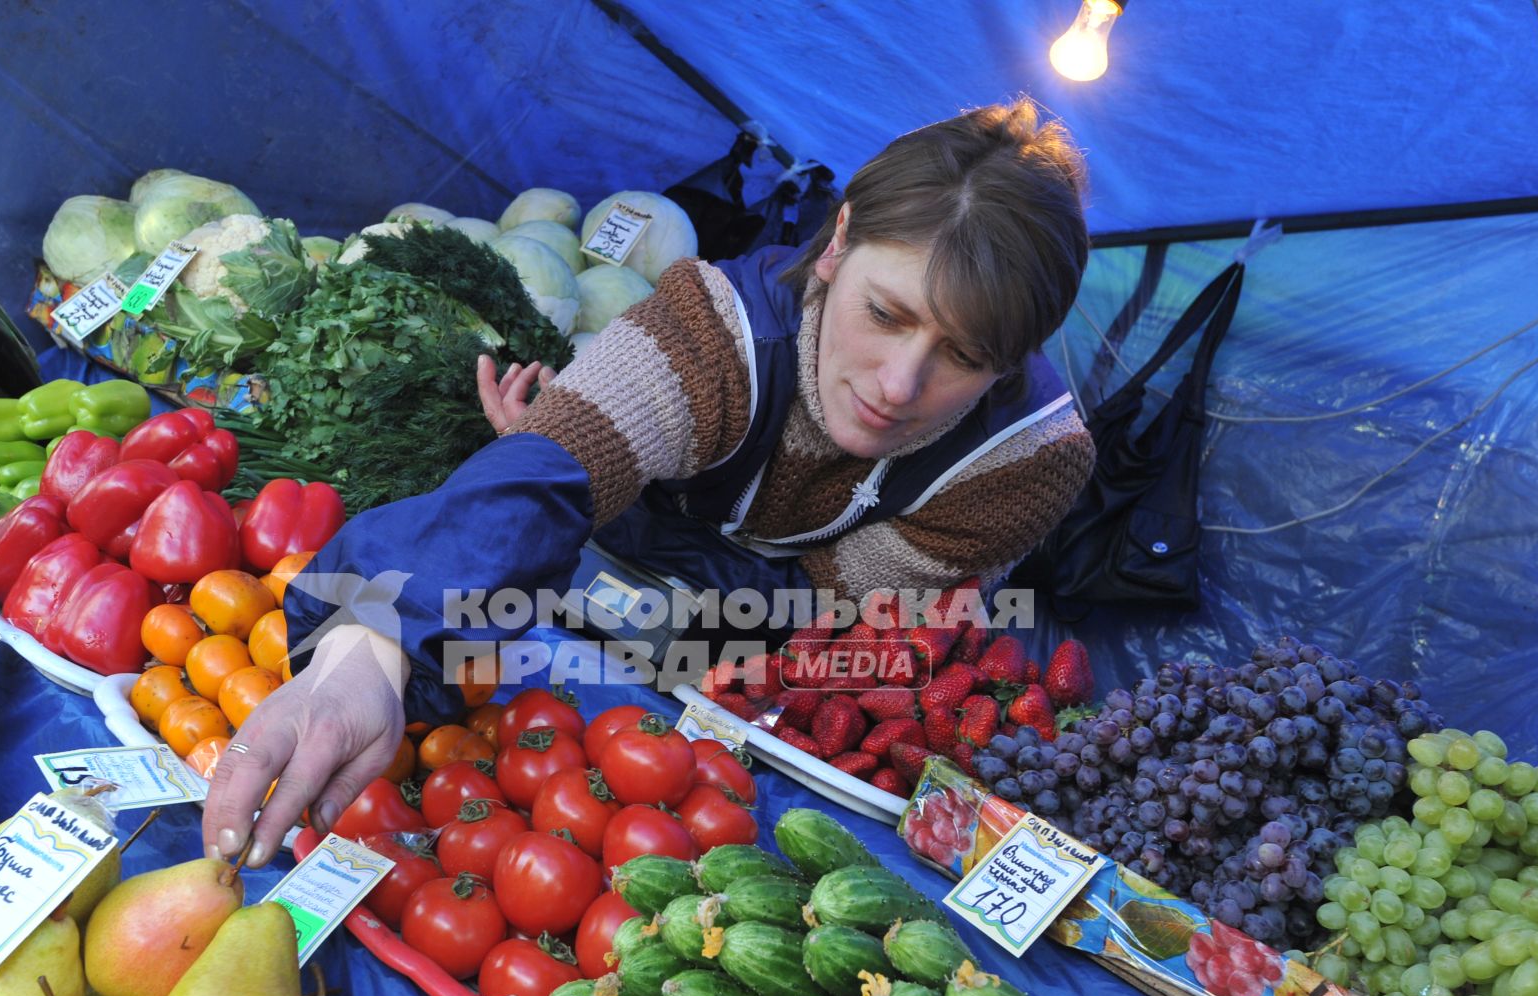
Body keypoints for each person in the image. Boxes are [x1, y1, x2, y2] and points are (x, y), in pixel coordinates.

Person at [205, 99, 1095, 867]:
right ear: (839, 242)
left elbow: (819, 612)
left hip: (752, 640)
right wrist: (370, 647)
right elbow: (542, 486)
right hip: (632, 556)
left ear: (1013, 360)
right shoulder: (711, 331)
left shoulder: (1025, 461)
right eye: (885, 314)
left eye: (965, 356)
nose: (900, 384)